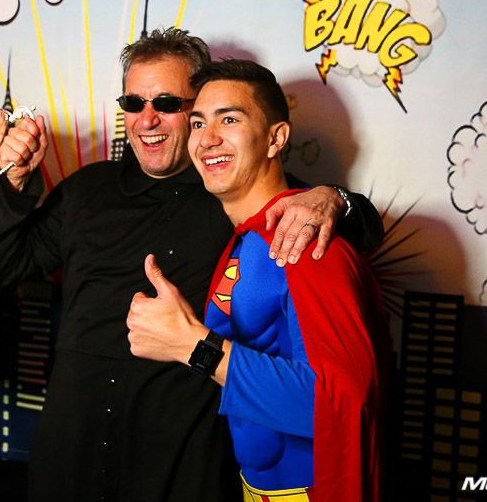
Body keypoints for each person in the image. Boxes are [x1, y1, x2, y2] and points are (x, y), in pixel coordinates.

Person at [0, 28, 381, 500]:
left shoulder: (231, 187)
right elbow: (3, 270)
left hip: (181, 461)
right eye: (133, 104)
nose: (147, 120)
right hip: (71, 452)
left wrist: (333, 199)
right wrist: (16, 187)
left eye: (169, 105)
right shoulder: (88, 190)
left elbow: (325, 230)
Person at [126, 58, 388, 501]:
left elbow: (339, 402)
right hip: (254, 487)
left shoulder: (302, 237)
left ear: (275, 138)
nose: (207, 138)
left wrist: (192, 345)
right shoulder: (245, 236)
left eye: (229, 119)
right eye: (197, 123)